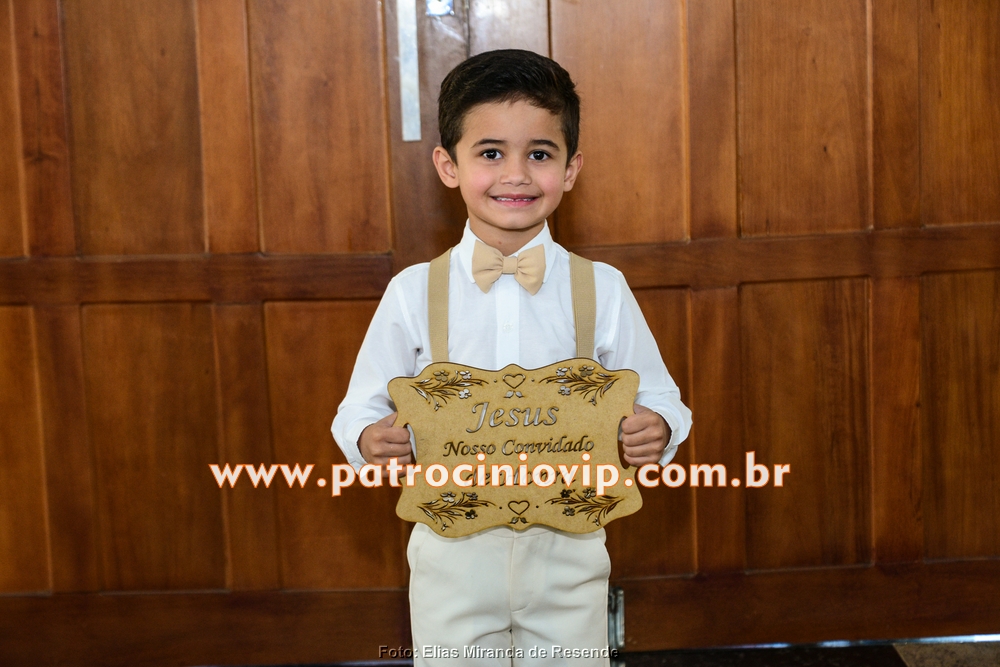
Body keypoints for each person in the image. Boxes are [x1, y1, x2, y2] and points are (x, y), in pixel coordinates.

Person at [332, 49, 692, 666]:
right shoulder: (412, 291)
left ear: (571, 169)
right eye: (492, 153)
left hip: (570, 549)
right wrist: (369, 440)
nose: (517, 175)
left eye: (541, 154)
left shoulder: (602, 288)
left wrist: (657, 428)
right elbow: (357, 410)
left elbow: (660, 397)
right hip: (450, 551)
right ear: (448, 165)